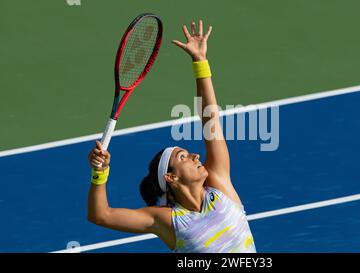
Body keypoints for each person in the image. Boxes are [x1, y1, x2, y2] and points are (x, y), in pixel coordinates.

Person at [87, 20, 256, 253]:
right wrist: (99, 173)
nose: (196, 155)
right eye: (183, 157)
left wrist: (200, 62)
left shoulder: (219, 186)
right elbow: (101, 215)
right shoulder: (166, 221)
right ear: (171, 177)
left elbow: (211, 121)